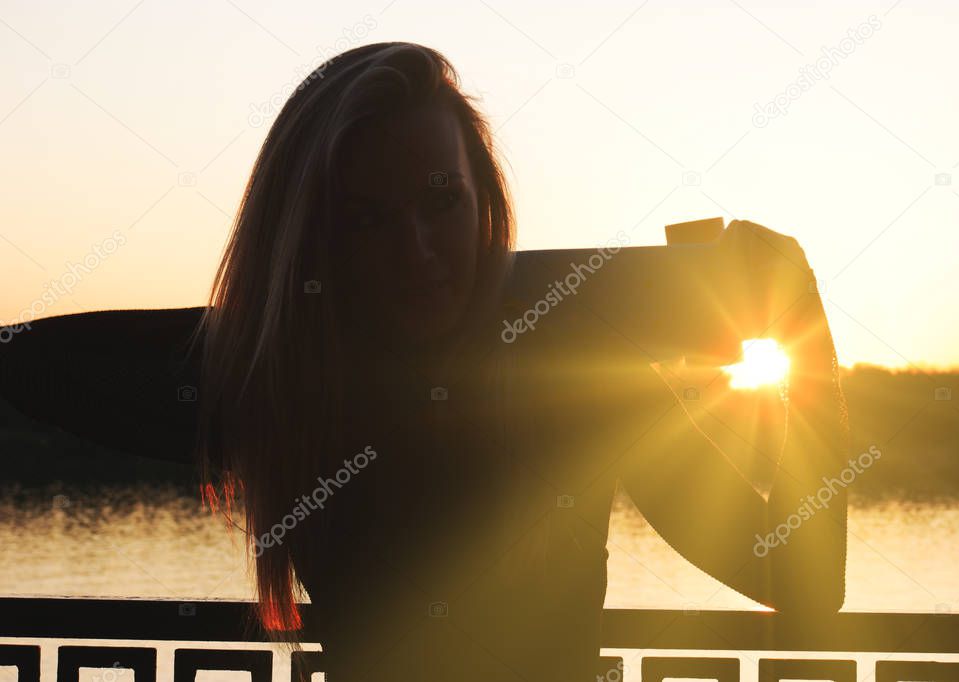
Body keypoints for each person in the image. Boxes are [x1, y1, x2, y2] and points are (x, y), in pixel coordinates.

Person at [0, 42, 849, 682]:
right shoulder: (288, 379)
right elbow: (36, 367)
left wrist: (800, 325)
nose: (418, 252)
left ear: (483, 198)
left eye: (440, 202)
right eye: (367, 220)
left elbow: (799, 583)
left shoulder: (577, 371)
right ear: (317, 242)